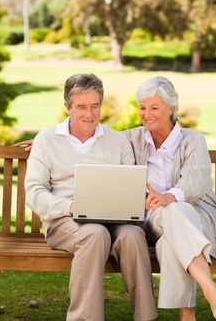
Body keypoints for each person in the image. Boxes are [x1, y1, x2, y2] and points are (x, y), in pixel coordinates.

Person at [24, 73, 158, 321]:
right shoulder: (47, 139)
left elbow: (131, 185)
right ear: (67, 107)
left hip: (115, 221)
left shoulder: (117, 141)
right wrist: (71, 206)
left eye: (95, 106)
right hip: (66, 221)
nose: (89, 114)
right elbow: (34, 192)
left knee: (132, 235)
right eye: (81, 107)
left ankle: (146, 317)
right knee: (94, 233)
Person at [124, 76, 216, 321]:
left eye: (154, 107)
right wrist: (49, 141)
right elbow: (95, 145)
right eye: (142, 107)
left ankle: (187, 316)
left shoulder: (192, 139)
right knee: (170, 215)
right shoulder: (131, 139)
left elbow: (197, 180)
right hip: (152, 223)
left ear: (171, 108)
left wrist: (169, 197)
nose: (146, 114)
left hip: (195, 219)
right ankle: (211, 291)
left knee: (171, 237)